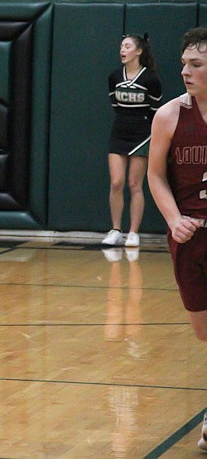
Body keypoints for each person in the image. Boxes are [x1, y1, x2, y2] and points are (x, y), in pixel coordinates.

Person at [146, 27, 207, 452]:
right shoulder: (169, 115)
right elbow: (154, 175)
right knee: (204, 332)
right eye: (184, 63)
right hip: (189, 236)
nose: (184, 71)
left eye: (196, 64)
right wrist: (173, 219)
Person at [102, 33, 163, 248]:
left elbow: (156, 111)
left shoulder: (151, 79)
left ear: (139, 51)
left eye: (127, 46)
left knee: (134, 184)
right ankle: (116, 229)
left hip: (142, 134)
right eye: (121, 46)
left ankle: (133, 232)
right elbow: (115, 105)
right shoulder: (114, 76)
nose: (122, 50)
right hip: (119, 131)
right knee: (116, 182)